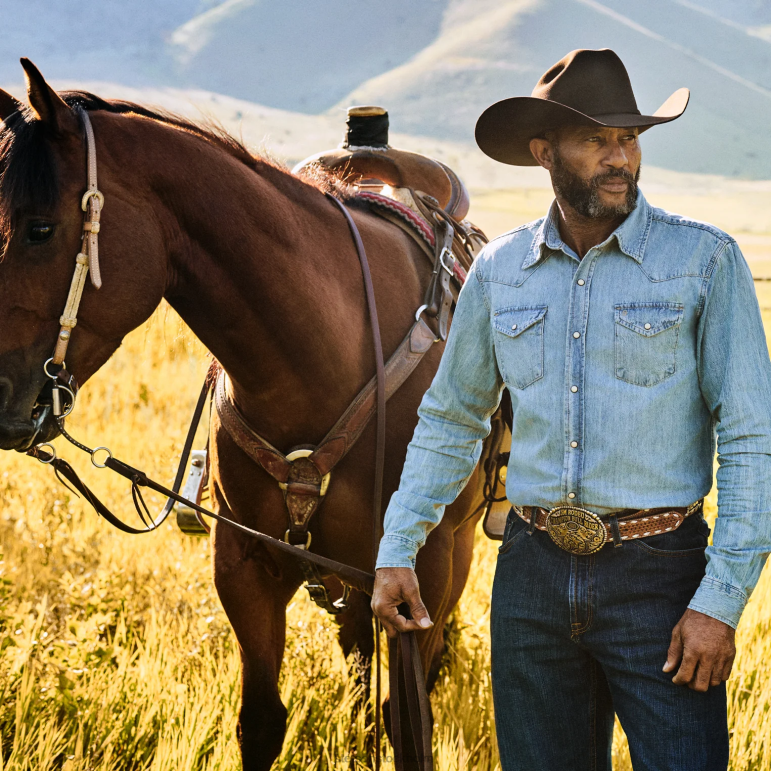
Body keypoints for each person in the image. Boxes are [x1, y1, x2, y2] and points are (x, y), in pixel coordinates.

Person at [370, 48, 771, 770]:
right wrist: (399, 544)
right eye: (595, 140)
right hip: (530, 574)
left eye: (629, 139)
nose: (620, 158)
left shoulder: (704, 261)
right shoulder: (499, 272)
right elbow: (453, 418)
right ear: (543, 153)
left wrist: (720, 599)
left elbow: (751, 437)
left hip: (660, 575)